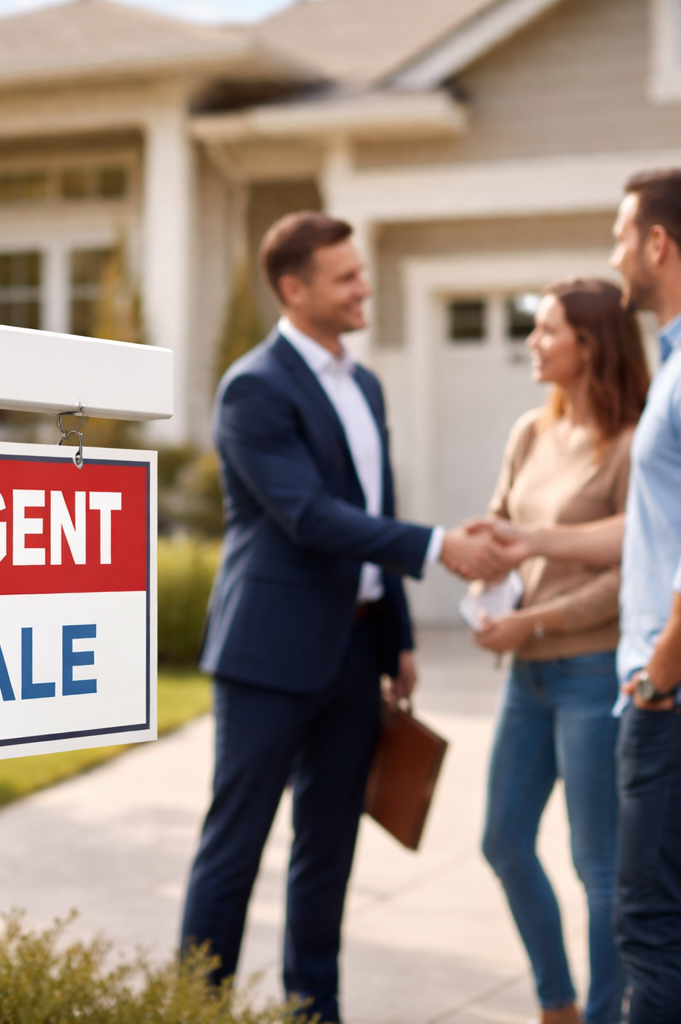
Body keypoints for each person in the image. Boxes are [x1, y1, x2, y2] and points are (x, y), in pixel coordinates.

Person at [477, 169, 681, 1024]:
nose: (616, 251)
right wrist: (536, 541)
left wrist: (659, 677)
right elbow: (660, 532)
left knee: (654, 929)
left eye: (623, 234)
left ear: (659, 243)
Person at [180, 211, 508, 1023]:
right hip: (269, 655)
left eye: (361, 273)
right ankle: (192, 1010)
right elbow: (309, 516)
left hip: (358, 656)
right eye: (347, 278)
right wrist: (438, 546)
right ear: (294, 290)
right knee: (236, 848)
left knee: (328, 853)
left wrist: (396, 639)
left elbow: (372, 510)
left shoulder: (364, 385)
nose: (366, 288)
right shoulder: (253, 387)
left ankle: (313, 1011)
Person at [473, 278, 648, 1024]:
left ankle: (604, 1016)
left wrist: (536, 623)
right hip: (527, 679)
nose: (533, 344)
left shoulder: (633, 445)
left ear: (592, 344)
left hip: (589, 672)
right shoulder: (529, 432)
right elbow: (500, 523)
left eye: (548, 331)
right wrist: (477, 560)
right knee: (504, 843)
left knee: (598, 864)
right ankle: (558, 1002)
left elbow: (632, 570)